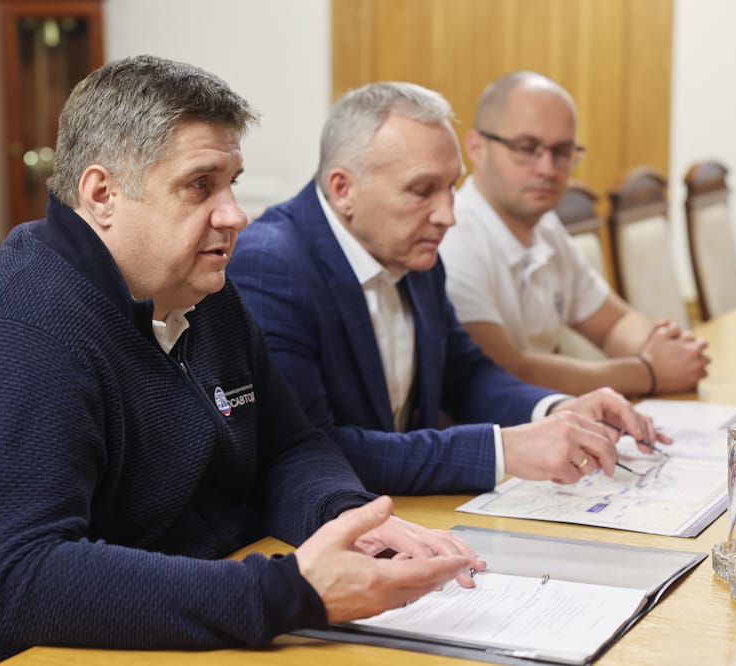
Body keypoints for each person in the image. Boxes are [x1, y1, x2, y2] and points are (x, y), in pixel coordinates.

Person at [0, 56, 483, 664]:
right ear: (102, 195)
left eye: (231, 184)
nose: (235, 215)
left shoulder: (205, 293)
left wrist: (343, 519)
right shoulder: (16, 330)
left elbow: (288, 447)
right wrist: (287, 592)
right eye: (200, 186)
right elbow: (19, 583)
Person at [228, 81, 667, 497]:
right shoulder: (272, 264)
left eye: (451, 188)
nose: (447, 216)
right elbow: (312, 450)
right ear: (343, 189)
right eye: (422, 191)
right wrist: (501, 450)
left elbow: (465, 374)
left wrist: (555, 410)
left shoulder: (415, 251)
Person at [441, 70, 709, 397]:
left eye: (562, 152)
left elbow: (613, 323)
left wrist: (661, 348)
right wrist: (648, 372)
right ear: (477, 147)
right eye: (527, 148)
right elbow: (504, 371)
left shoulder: (546, 227)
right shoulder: (453, 236)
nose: (547, 169)